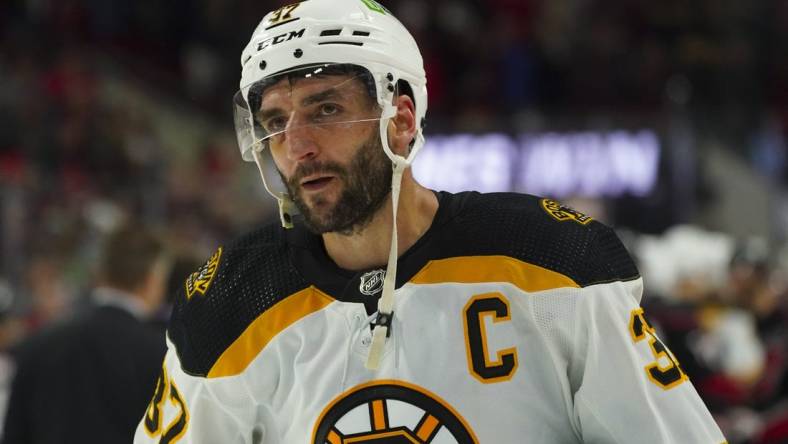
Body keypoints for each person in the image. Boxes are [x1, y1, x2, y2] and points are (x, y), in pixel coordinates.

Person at [135, 0, 726, 442]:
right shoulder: (229, 306)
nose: (297, 145)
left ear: (400, 117)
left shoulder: (554, 264)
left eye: (326, 109)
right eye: (276, 119)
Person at [3, 224, 170, 443]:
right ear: (151, 280)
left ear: (101, 273)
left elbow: (15, 435)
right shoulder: (162, 356)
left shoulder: (39, 344)